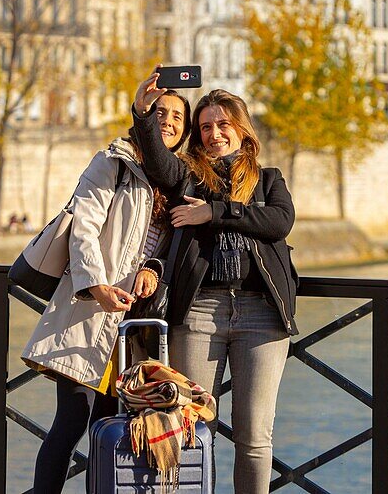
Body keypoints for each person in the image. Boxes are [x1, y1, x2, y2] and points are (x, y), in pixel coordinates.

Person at [131, 70, 298, 494]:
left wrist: (213, 214)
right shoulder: (188, 176)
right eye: (205, 127)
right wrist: (143, 113)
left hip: (262, 314)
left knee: (254, 438)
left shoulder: (269, 179)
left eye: (223, 124)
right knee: (190, 426)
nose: (214, 133)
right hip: (201, 311)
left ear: (242, 129)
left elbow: (278, 222)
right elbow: (156, 158)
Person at [21, 90, 191, 494]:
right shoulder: (112, 162)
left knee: (114, 427)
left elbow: (164, 247)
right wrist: (96, 286)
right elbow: (84, 229)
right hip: (92, 311)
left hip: (136, 324)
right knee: (71, 423)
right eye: (160, 112)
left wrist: (153, 269)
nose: (167, 121)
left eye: (177, 118)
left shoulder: (179, 178)